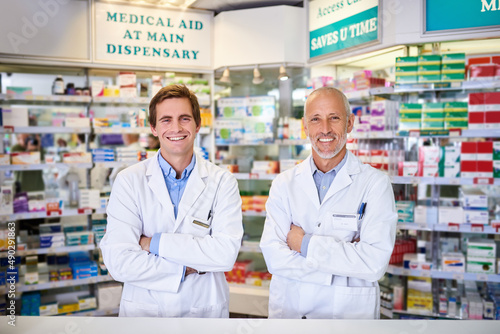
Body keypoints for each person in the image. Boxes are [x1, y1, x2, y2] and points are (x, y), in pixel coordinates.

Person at [100, 84, 243, 318]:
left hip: (204, 309)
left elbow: (225, 254)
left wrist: (152, 243)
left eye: (184, 118)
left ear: (198, 125)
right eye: (166, 120)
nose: (176, 128)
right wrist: (186, 268)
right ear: (153, 128)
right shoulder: (129, 180)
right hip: (145, 312)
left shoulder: (222, 182)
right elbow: (119, 262)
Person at [260, 87, 397, 319]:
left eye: (334, 118)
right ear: (305, 126)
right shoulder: (284, 184)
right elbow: (274, 257)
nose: (325, 129)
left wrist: (303, 243)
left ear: (349, 123)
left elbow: (373, 263)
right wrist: (344, 264)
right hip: (293, 313)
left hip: (348, 316)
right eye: (315, 119)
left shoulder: (375, 184)